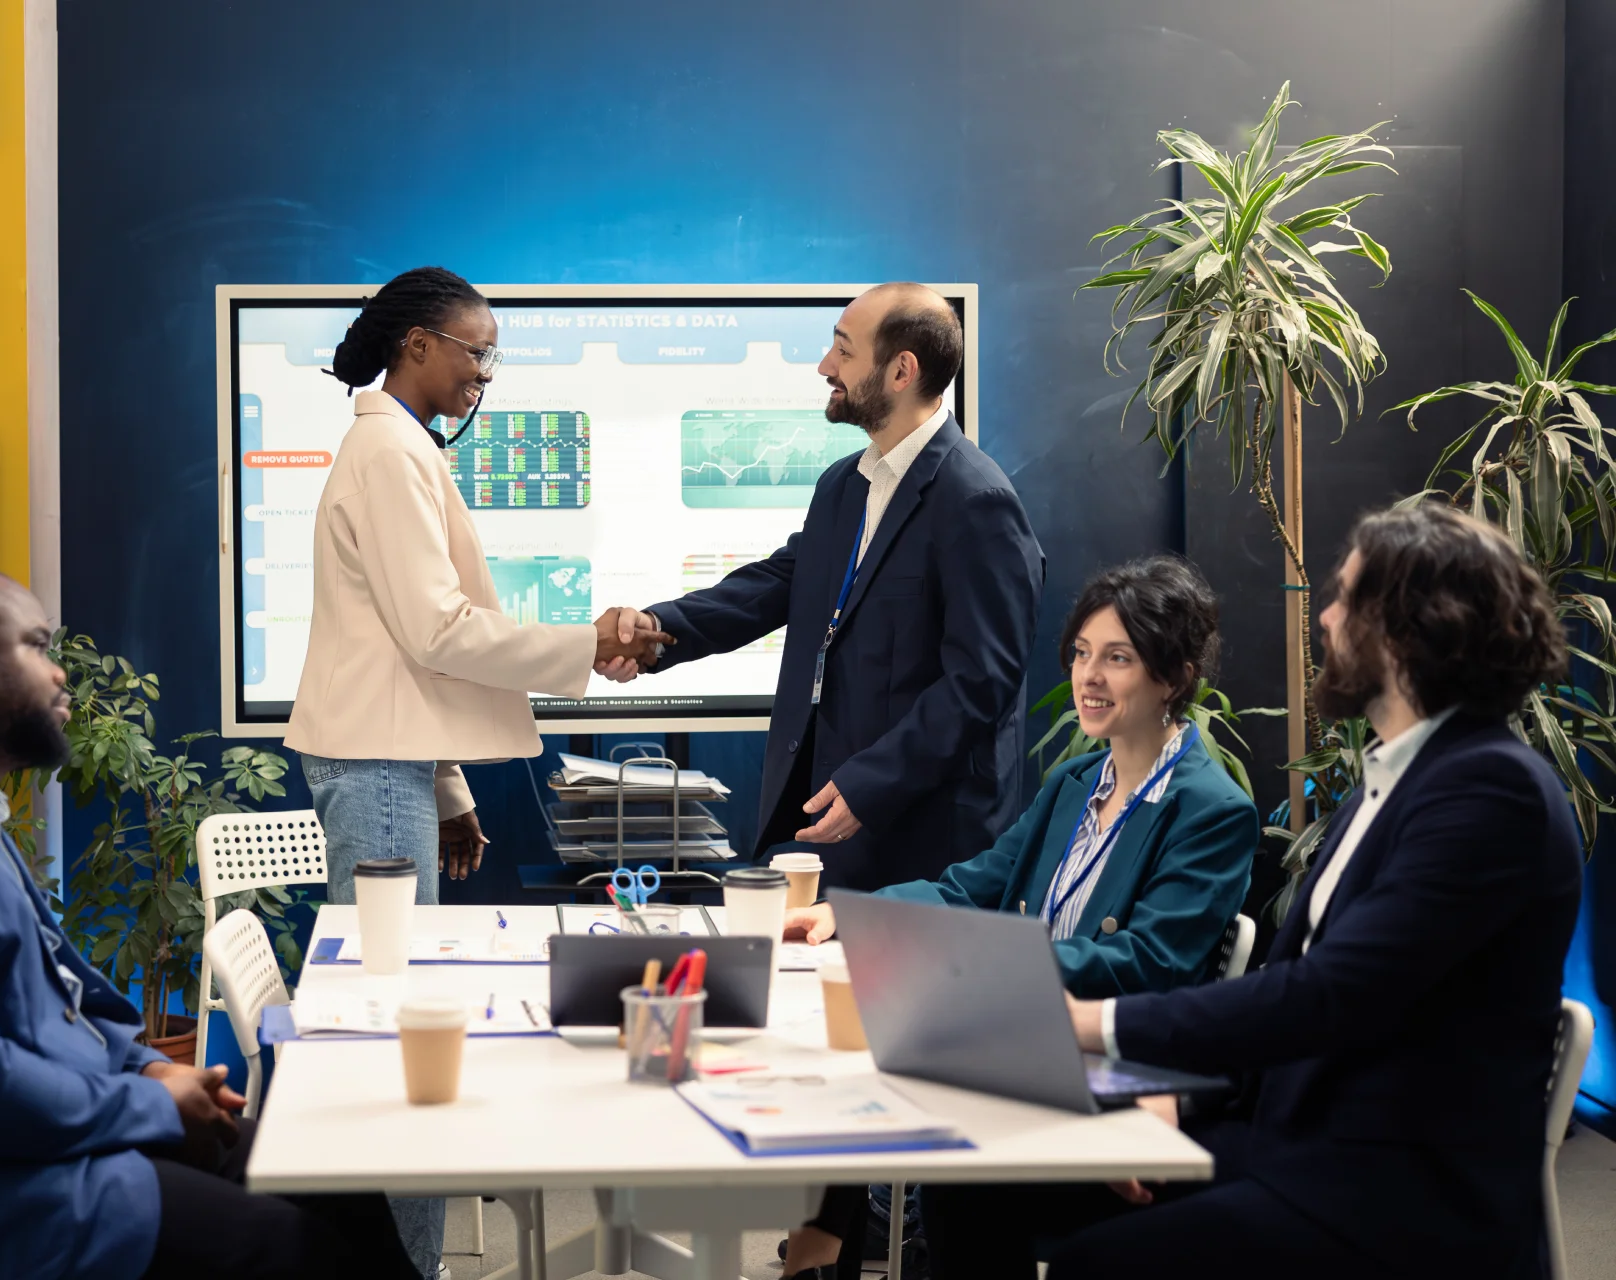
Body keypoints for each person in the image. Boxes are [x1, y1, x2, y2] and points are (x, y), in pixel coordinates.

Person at [0, 567, 419, 1280]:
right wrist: (150, 1102)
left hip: (39, 1149)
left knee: (335, 1176)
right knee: (293, 1248)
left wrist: (153, 1066)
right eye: (38, 648)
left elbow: (62, 1007)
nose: (58, 678)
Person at [1049, 504, 1581, 1280]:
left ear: (1409, 631)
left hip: (1398, 1195)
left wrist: (1095, 1024)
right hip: (1305, 1142)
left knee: (1098, 1263)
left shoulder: (1490, 792)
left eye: (1347, 599)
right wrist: (1184, 1104)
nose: (1326, 616)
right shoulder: (1402, 778)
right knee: (995, 1185)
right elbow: (1311, 1005)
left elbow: (1330, 996)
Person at [285, 267, 667, 1274]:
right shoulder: (387, 452)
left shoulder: (398, 447)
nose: (483, 371)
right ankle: (407, 1264)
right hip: (373, 768)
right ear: (415, 344)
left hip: (389, 760)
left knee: (409, 1027)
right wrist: (586, 643)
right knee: (404, 1041)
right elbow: (438, 629)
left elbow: (400, 649)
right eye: (474, 348)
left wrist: (448, 786)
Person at [778, 556, 1259, 1280]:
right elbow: (972, 888)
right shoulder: (1074, 783)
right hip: (1016, 1037)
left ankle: (837, 1249)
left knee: (943, 1153)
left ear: (1174, 676)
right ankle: (829, 1252)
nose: (1088, 677)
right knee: (854, 1085)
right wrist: (847, 917)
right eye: (1081, 654)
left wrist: (997, 971)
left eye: (1118, 659)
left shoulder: (1211, 809)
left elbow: (1149, 963)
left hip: (1104, 1061)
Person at [602, 282, 1043, 893]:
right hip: (836, 823)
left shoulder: (976, 499)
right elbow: (779, 583)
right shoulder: (845, 484)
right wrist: (656, 630)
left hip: (923, 840)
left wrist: (872, 783)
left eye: (843, 350)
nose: (824, 367)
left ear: (900, 371)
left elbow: (980, 684)